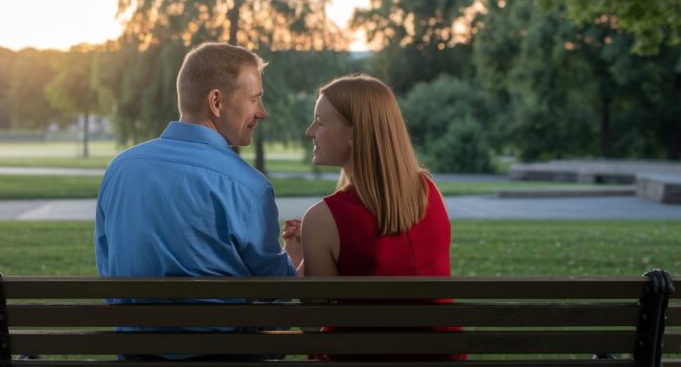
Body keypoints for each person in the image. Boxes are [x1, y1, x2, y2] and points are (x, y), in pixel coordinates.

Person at [95, 42, 302, 361]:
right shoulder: (248, 186)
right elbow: (277, 294)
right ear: (216, 101)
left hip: (137, 356)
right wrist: (295, 254)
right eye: (254, 99)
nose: (262, 112)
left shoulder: (120, 169)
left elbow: (109, 267)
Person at [283, 73, 465, 361]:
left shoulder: (323, 219)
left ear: (354, 132)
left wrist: (297, 257)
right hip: (441, 358)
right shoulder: (429, 190)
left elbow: (311, 322)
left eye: (320, 121)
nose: (309, 132)